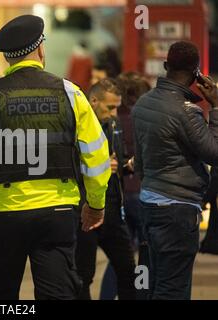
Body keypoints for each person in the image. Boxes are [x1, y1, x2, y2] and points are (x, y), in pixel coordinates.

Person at [0, 15, 111, 300]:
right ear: (40, 49)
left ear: (9, 57)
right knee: (58, 293)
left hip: (5, 216)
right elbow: (96, 156)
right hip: (58, 214)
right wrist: (96, 204)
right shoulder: (70, 93)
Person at [132, 41, 218, 300]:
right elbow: (213, 152)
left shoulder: (143, 104)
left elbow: (140, 163)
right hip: (177, 210)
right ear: (197, 73)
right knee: (173, 289)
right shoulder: (187, 112)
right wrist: (215, 108)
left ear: (166, 66)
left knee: (155, 282)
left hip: (149, 202)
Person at [76, 78, 136, 300]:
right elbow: (67, 168)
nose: (114, 113)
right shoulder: (76, 126)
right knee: (83, 276)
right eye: (110, 107)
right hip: (86, 211)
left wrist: (126, 165)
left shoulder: (114, 125)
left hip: (112, 211)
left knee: (129, 270)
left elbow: (114, 163)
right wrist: (95, 167)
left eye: (117, 107)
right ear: (93, 101)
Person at [100, 72, 151, 300]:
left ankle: (107, 296)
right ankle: (139, 295)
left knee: (121, 257)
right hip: (142, 193)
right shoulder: (145, 119)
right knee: (145, 256)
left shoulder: (111, 120)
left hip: (120, 195)